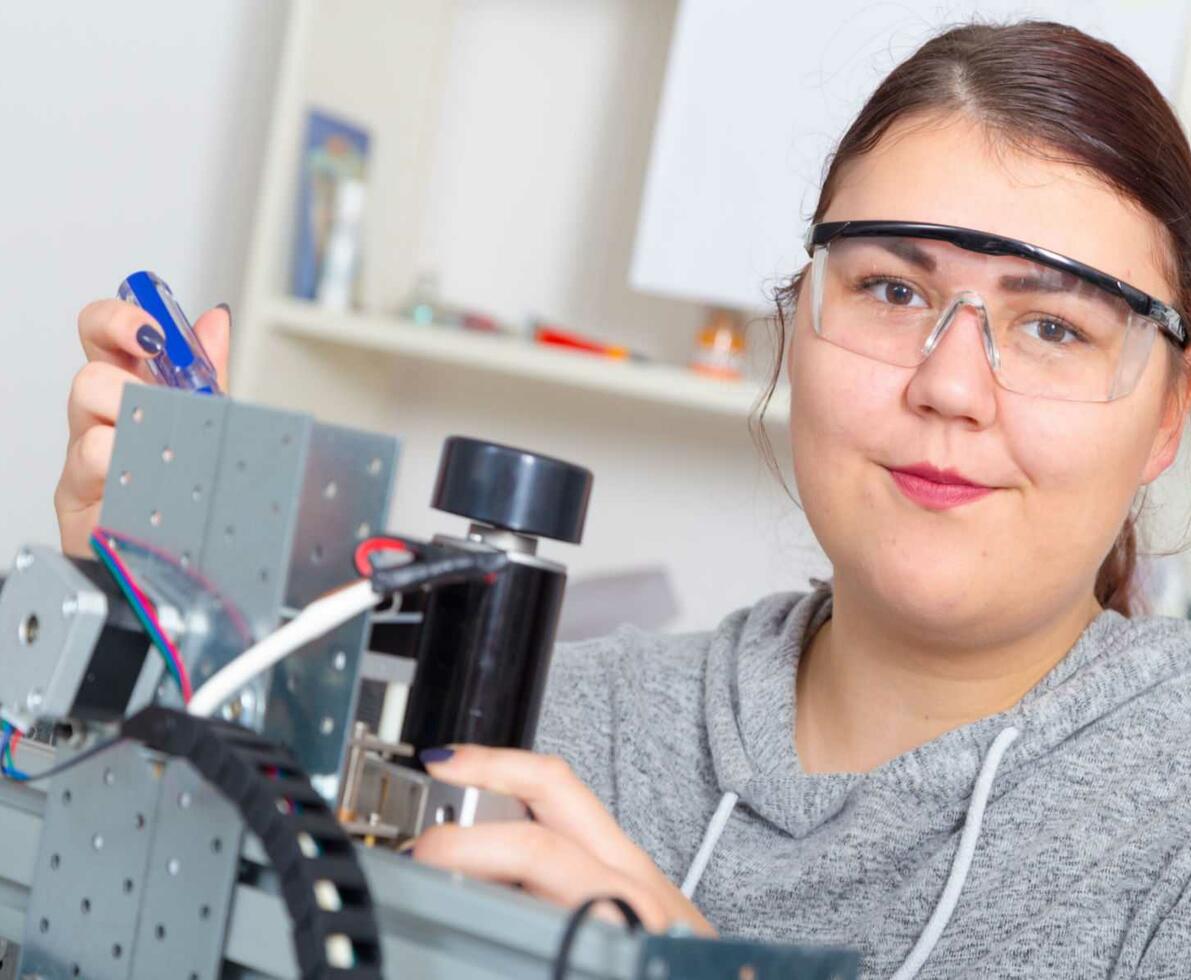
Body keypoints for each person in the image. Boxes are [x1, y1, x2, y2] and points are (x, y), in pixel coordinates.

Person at [55, 19, 1191, 978]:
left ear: (1169, 418)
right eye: (893, 288)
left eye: (1053, 326)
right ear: (795, 322)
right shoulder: (541, 724)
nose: (948, 384)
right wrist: (161, 633)